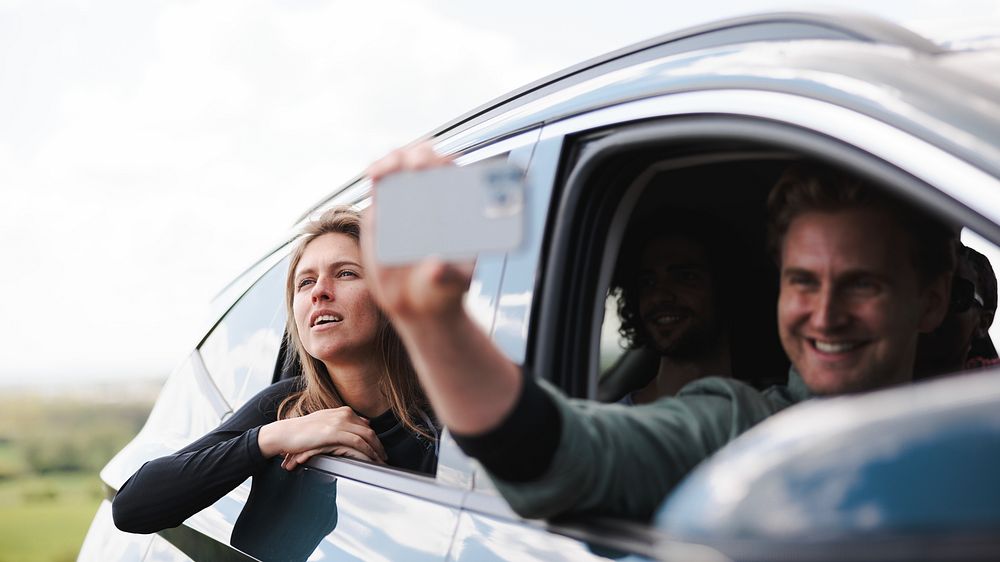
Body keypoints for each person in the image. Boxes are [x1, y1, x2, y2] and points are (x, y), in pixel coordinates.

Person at [361, 145, 954, 521]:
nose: (824, 315)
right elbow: (556, 455)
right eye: (802, 282)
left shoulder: (973, 431)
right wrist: (434, 323)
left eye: (862, 285)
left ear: (931, 300)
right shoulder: (740, 431)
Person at [113, 206, 438, 535]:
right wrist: (272, 437)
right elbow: (131, 508)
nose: (319, 292)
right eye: (305, 282)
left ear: (392, 297)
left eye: (346, 273)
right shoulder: (282, 407)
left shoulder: (447, 415)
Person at [606, 212, 736, 403]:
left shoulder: (774, 418)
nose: (659, 296)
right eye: (648, 282)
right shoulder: (618, 428)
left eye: (685, 277)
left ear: (724, 287)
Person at [915, 242, 999, 378]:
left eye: (956, 295)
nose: (934, 306)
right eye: (926, 288)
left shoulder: (990, 387)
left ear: (983, 323)